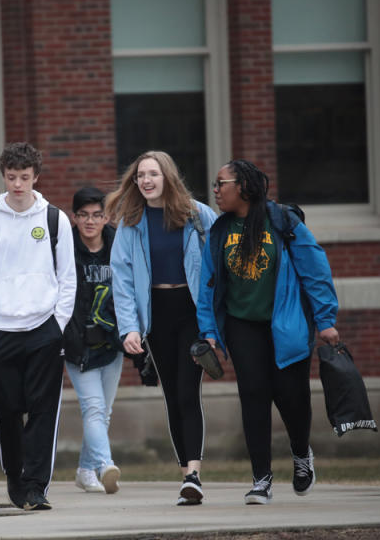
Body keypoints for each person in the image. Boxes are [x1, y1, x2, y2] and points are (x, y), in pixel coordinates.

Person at [197, 160, 339, 505]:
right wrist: (210, 331)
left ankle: (301, 454)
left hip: (285, 322)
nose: (215, 191)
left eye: (221, 184)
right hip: (242, 325)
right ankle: (261, 479)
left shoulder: (283, 222)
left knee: (292, 398)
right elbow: (208, 285)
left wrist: (325, 320)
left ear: (243, 187)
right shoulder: (220, 231)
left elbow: (315, 271)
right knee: (254, 398)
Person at [0, 142, 76, 511]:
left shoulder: (54, 219)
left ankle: (35, 487)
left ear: (36, 177)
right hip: (1, 333)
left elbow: (68, 277)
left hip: (44, 329)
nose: (18, 184)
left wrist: (57, 324)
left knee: (44, 411)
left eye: (25, 178)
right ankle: (15, 474)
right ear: (3, 176)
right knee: (7, 412)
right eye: (11, 177)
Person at [107, 150, 217, 506]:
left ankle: (194, 474)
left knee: (188, 390)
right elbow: (121, 282)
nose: (146, 180)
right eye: (140, 175)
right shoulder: (130, 222)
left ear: (167, 176)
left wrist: (215, 324)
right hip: (156, 316)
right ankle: (187, 475)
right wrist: (130, 329)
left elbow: (220, 265)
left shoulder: (197, 214)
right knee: (172, 394)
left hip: (192, 312)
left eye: (153, 173)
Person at [63, 187, 124, 494]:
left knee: (104, 411)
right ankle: (105, 465)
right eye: (83, 215)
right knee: (94, 408)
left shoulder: (119, 245)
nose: (90, 221)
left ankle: (85, 471)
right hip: (78, 343)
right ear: (74, 218)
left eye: (96, 215)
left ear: (106, 217)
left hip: (112, 343)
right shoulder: (64, 248)